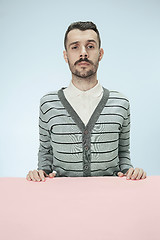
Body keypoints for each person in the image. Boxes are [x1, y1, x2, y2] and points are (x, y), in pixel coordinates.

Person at [26, 21, 147, 182]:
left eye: (90, 46)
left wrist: (131, 171)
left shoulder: (120, 103)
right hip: (61, 197)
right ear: (66, 55)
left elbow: (123, 153)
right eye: (75, 47)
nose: (83, 53)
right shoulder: (48, 103)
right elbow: (45, 152)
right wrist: (40, 172)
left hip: (111, 196)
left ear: (100, 53)